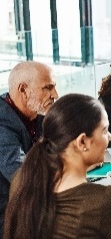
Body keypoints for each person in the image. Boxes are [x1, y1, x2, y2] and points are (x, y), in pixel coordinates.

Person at [4, 93, 111, 239]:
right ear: (82, 142)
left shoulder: (22, 179)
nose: (110, 136)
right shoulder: (105, 201)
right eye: (104, 130)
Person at [0, 61, 58, 237]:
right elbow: (23, 174)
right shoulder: (2, 122)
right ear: (23, 90)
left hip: (36, 205)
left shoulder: (38, 113)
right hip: (9, 217)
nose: (55, 94)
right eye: (47, 88)